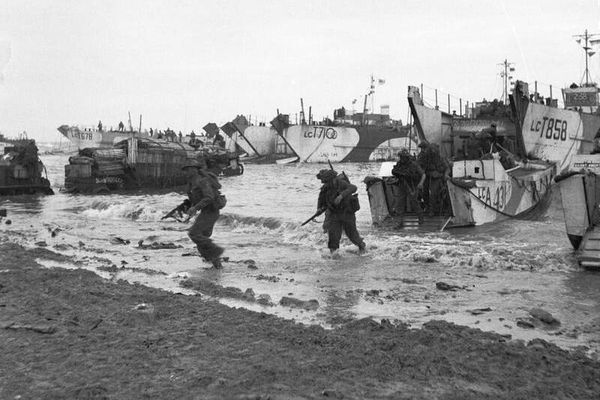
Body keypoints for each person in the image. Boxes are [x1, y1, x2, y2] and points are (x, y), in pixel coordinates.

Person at [183, 160, 225, 269]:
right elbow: (196, 199)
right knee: (201, 239)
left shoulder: (203, 181)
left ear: (194, 170)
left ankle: (216, 251)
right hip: (205, 212)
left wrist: (195, 208)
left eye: (187, 170)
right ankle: (217, 266)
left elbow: (209, 197)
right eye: (184, 170)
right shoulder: (191, 183)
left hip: (211, 211)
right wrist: (190, 207)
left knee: (194, 234)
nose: (185, 172)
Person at [315, 169, 365, 255]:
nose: (326, 183)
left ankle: (362, 247)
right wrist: (319, 209)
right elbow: (321, 201)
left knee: (352, 235)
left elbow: (353, 187)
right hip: (334, 214)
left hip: (347, 213)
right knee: (333, 237)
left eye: (327, 181)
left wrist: (341, 196)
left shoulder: (341, 183)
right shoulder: (325, 188)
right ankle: (334, 256)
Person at [392, 148, 426, 225]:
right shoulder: (399, 164)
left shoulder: (414, 165)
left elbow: (423, 174)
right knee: (400, 203)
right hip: (402, 185)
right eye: (401, 157)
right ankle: (399, 221)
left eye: (402, 157)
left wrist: (421, 183)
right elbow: (394, 171)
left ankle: (420, 216)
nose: (401, 159)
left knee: (414, 202)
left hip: (412, 185)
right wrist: (399, 174)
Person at [417, 143, 450, 216]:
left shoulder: (441, 158)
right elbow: (419, 166)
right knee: (424, 193)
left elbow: (447, 168)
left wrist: (445, 175)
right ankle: (427, 207)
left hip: (437, 177)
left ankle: (432, 210)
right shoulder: (425, 157)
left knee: (433, 194)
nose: (432, 152)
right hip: (427, 177)